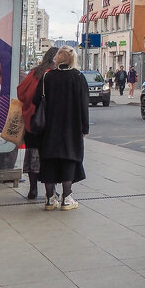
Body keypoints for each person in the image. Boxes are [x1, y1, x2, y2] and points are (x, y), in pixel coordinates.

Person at [33, 45, 89, 209]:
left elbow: (36, 101)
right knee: (69, 159)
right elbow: (83, 105)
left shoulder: (47, 78)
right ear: (73, 59)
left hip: (49, 127)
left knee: (49, 160)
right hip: (72, 127)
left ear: (57, 59)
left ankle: (50, 199)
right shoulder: (78, 77)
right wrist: (84, 128)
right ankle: (67, 198)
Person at [17, 48, 58, 200]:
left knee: (32, 154)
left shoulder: (34, 73)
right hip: (50, 123)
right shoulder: (54, 75)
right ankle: (51, 190)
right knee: (49, 156)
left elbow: (21, 92)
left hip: (32, 120)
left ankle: (33, 189)